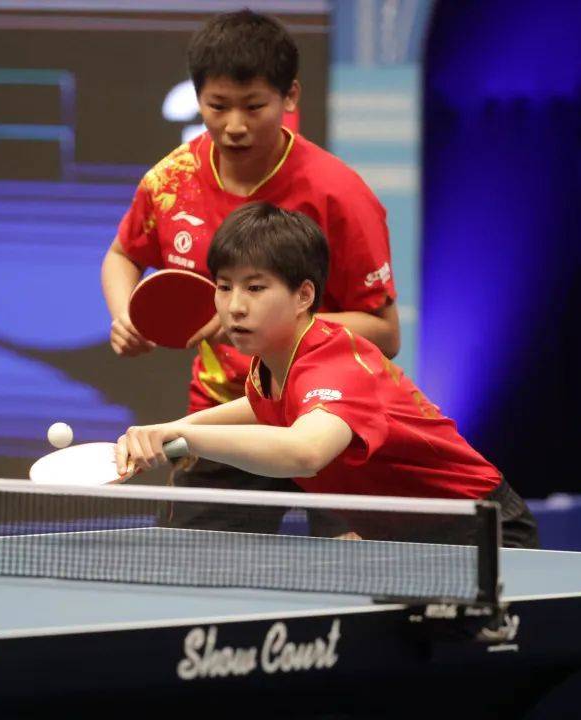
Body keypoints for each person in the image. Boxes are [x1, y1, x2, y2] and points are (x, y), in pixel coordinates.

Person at [101, 9, 399, 535]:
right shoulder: (171, 182)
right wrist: (125, 313)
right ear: (197, 97)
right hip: (226, 422)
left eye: (254, 106)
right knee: (188, 568)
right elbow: (122, 254)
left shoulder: (339, 195)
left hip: (327, 418)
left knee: (352, 570)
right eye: (217, 106)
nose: (234, 125)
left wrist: (267, 323)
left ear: (290, 97)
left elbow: (385, 334)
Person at [115, 203, 540, 548]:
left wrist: (189, 438)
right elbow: (264, 406)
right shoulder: (274, 361)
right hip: (407, 537)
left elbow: (305, 452)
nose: (235, 307)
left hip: (480, 533)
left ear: (304, 295)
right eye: (225, 287)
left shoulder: (336, 364)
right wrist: (170, 429)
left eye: (255, 288)